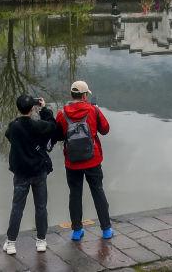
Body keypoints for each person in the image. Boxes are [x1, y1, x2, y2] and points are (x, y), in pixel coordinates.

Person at [3, 95, 59, 256]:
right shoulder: (38, 125)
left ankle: (11, 242)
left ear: (18, 108)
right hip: (39, 171)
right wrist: (44, 109)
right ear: (33, 108)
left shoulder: (14, 127)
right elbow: (53, 126)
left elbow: (8, 135)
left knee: (17, 208)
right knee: (41, 207)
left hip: (21, 174)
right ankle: (41, 240)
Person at [57, 80, 112, 242]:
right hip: (93, 159)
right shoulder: (93, 110)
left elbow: (59, 135)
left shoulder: (62, 113)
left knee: (75, 194)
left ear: (72, 94)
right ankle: (106, 229)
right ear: (84, 95)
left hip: (72, 161)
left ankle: (77, 231)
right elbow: (105, 130)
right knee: (98, 191)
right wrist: (97, 112)